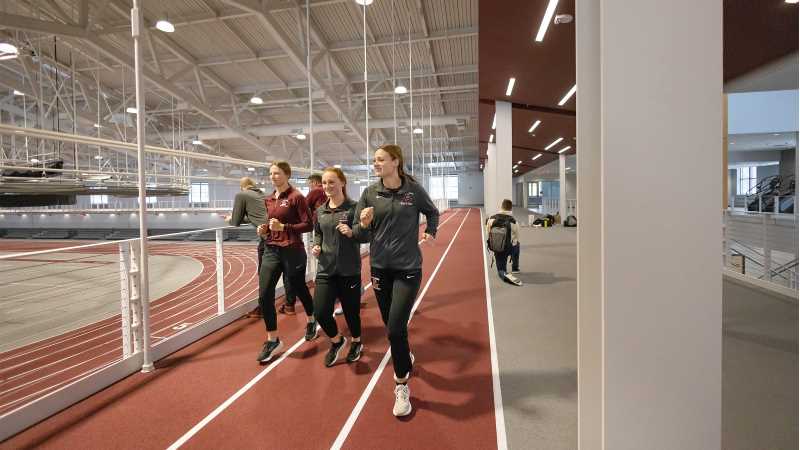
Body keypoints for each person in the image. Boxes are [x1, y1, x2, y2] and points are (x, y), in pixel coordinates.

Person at [353, 144, 439, 417]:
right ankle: (406, 354)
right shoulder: (369, 193)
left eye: (380, 159)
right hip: (379, 269)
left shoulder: (412, 191)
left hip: (408, 269)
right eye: (374, 160)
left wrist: (431, 231)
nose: (375, 164)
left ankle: (401, 384)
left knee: (394, 328)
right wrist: (364, 224)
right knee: (393, 327)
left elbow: (432, 212)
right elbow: (358, 235)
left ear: (395, 162)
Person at [254, 161, 317, 363]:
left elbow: (308, 225)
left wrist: (284, 227)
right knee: (264, 294)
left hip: (292, 251)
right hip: (271, 249)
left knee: (300, 289)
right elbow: (273, 224)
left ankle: (311, 319)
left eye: (277, 173)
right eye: (271, 173)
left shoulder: (296, 197)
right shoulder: (269, 199)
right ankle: (272, 339)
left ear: (287, 175)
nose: (273, 176)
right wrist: (265, 229)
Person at [311, 167, 367, 367]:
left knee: (351, 312)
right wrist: (316, 245)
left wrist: (352, 232)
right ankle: (337, 341)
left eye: (332, 182)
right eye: (324, 183)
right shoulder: (320, 210)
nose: (327, 186)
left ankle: (357, 341)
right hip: (325, 269)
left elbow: (365, 235)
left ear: (342, 182)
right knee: (320, 312)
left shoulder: (354, 207)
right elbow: (318, 233)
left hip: (348, 270)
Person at [225, 177, 266, 318]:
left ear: (242, 187)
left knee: (264, 276)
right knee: (287, 274)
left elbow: (235, 221)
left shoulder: (241, 195)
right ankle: (290, 304)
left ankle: (262, 308)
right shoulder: (263, 194)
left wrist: (229, 219)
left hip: (267, 238)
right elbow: (255, 216)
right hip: (280, 235)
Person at [486, 199, 522, 286]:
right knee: (517, 244)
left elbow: (488, 233)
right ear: (510, 209)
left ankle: (503, 272)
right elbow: (517, 237)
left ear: (501, 206)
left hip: (496, 248)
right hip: (509, 248)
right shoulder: (514, 222)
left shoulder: (491, 219)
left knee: (501, 270)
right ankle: (515, 268)